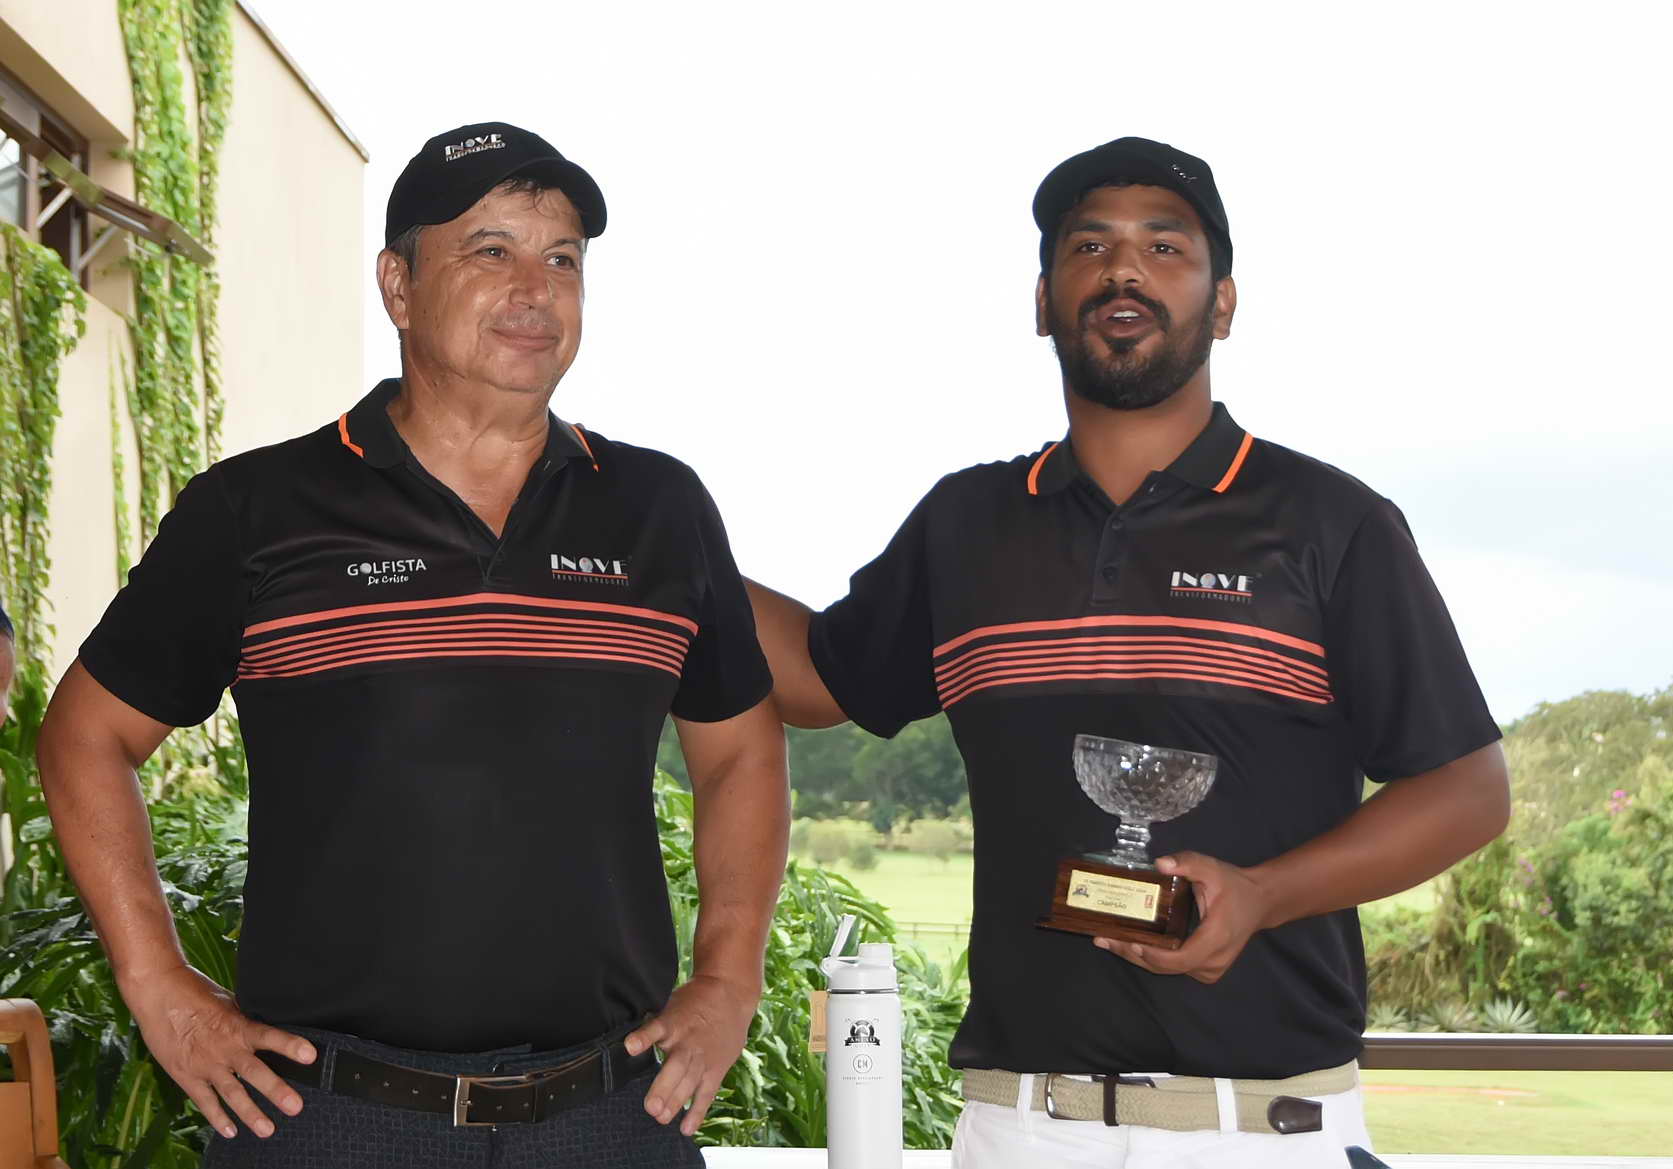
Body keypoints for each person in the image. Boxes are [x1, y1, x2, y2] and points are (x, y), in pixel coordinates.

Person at [747, 137, 1510, 1168]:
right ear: (1043, 300)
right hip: (1019, 1127)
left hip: (1259, 1131)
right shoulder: (967, 524)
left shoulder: (1330, 522)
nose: (1123, 270)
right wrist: (666, 550)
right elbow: (816, 678)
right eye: (1089, 246)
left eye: (1165, 246)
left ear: (1222, 303)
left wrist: (1264, 893)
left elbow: (1469, 789)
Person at [37, 123, 788, 1168]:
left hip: (611, 1116)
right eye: (491, 250)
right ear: (398, 284)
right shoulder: (260, 508)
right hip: (328, 1119)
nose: (535, 289)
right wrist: (158, 984)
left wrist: (729, 975)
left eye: (562, 258)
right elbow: (85, 734)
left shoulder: (659, 507)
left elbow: (741, 747)